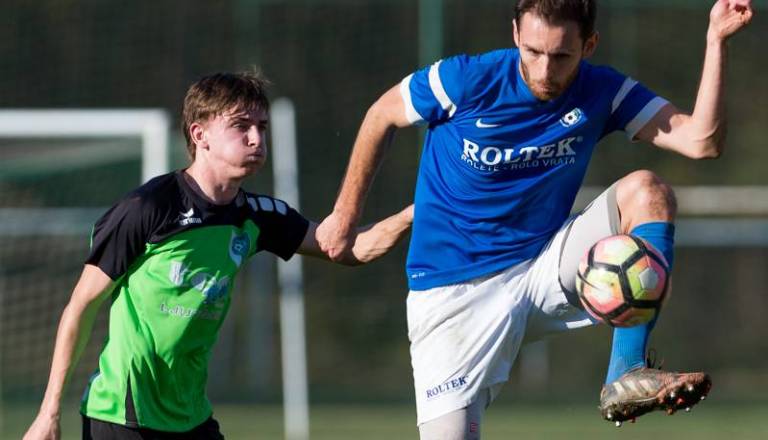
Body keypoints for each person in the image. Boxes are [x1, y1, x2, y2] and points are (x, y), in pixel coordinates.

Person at [316, 0, 754, 437]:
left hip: (544, 264)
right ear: (515, 35)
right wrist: (343, 216)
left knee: (647, 192)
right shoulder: (465, 80)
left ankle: (626, 370)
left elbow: (701, 141)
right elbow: (382, 115)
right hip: (452, 290)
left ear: (589, 45)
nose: (545, 70)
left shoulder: (602, 90)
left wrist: (716, 40)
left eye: (562, 55)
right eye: (533, 52)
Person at [23, 71, 414, 440]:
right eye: (241, 126)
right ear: (200, 135)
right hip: (122, 416)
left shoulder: (259, 215)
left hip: (190, 417)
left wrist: (420, 211)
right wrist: (49, 411)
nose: (256, 138)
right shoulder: (148, 208)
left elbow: (344, 248)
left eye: (262, 127)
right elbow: (81, 307)